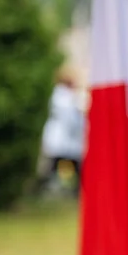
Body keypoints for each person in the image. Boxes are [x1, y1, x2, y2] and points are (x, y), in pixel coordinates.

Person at [40, 65, 85, 194]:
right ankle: (53, 189)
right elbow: (70, 117)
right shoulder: (61, 96)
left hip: (69, 138)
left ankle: (73, 189)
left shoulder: (68, 95)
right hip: (62, 136)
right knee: (56, 164)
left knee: (72, 164)